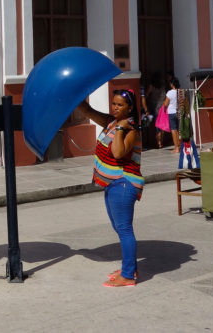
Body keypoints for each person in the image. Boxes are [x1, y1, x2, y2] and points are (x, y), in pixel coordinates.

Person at [78, 89, 144, 287]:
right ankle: (130, 268)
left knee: (124, 229)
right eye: (113, 103)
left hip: (124, 184)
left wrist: (122, 129)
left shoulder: (131, 129)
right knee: (119, 228)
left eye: (120, 105)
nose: (115, 107)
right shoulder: (110, 122)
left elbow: (117, 153)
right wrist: (74, 91)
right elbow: (87, 110)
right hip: (112, 184)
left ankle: (127, 276)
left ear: (130, 108)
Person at [141, 72, 166, 149]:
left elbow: (146, 95)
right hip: (163, 107)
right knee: (162, 127)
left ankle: (159, 143)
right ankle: (161, 142)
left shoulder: (151, 86)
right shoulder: (162, 86)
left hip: (155, 108)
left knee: (157, 127)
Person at [164, 77, 181, 153]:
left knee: (173, 130)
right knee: (178, 130)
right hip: (179, 112)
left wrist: (164, 107)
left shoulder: (169, 92)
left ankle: (176, 148)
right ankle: (179, 146)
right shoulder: (180, 91)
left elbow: (166, 103)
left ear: (172, 84)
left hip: (171, 113)